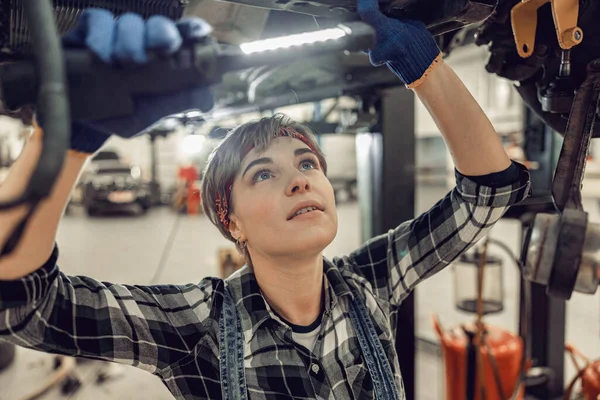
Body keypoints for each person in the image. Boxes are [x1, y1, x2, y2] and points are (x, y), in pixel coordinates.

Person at [0, 3, 531, 400]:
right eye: (263, 174)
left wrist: (425, 67)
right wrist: (63, 141)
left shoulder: (372, 281)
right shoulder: (195, 324)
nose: (300, 182)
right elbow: (28, 306)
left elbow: (489, 192)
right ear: (232, 223)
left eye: (306, 164)